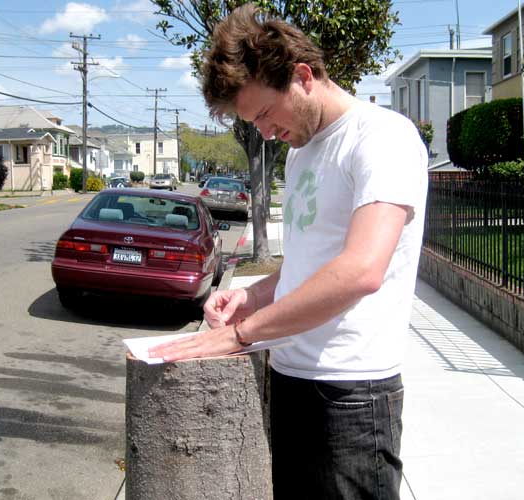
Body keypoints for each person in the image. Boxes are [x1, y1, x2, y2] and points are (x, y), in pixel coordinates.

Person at [148, 4, 428, 499]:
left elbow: (362, 269)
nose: (263, 131)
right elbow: (307, 265)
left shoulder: (382, 137)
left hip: (352, 397)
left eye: (264, 114)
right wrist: (252, 297)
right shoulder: (300, 155)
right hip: (289, 377)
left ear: (302, 76)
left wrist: (240, 335)